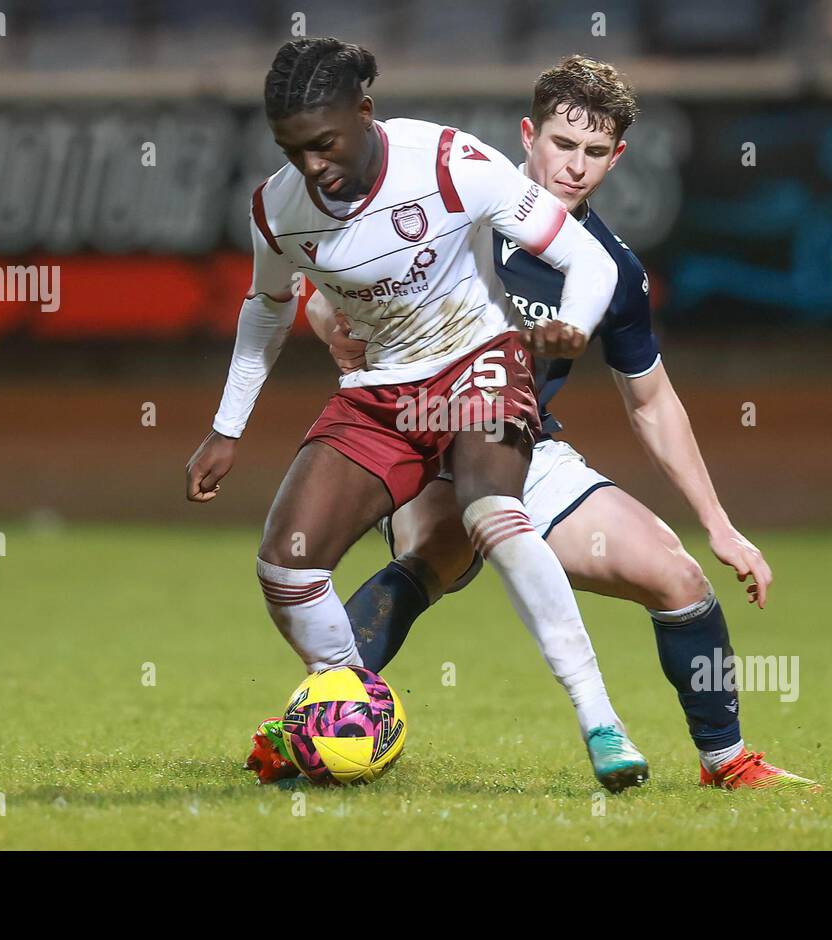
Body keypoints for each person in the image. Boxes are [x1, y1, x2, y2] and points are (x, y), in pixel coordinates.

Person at [280, 55, 819, 792]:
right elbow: (338, 270)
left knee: (679, 578)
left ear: (617, 158)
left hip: (523, 443)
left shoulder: (612, 269)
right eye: (562, 145)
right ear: (528, 135)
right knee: (442, 543)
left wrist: (719, 523)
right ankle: (303, 729)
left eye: (595, 152)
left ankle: (727, 761)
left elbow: (652, 402)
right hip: (423, 430)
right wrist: (322, 317)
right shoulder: (469, 199)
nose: (575, 166)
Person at [187, 38, 648, 791]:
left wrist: (573, 320)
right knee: (284, 564)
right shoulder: (277, 208)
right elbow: (266, 309)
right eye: (291, 149)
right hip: (381, 391)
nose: (312, 165)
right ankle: (349, 706)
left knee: (493, 513)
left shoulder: (450, 165)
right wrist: (226, 427)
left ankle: (601, 720)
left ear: (364, 114)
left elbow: (587, 261)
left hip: (480, 362)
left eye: (325, 143)